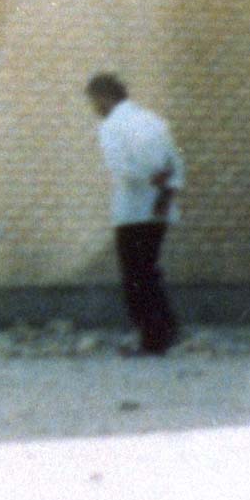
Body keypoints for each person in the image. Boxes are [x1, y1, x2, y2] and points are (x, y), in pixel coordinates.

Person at [85, 72, 183, 354]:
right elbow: (176, 163)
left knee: (135, 276)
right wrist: (167, 188)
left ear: (104, 97)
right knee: (150, 270)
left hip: (131, 210)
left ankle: (151, 338)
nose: (94, 108)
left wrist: (150, 179)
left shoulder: (111, 126)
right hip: (160, 208)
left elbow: (121, 169)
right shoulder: (153, 120)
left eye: (94, 101)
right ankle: (165, 328)